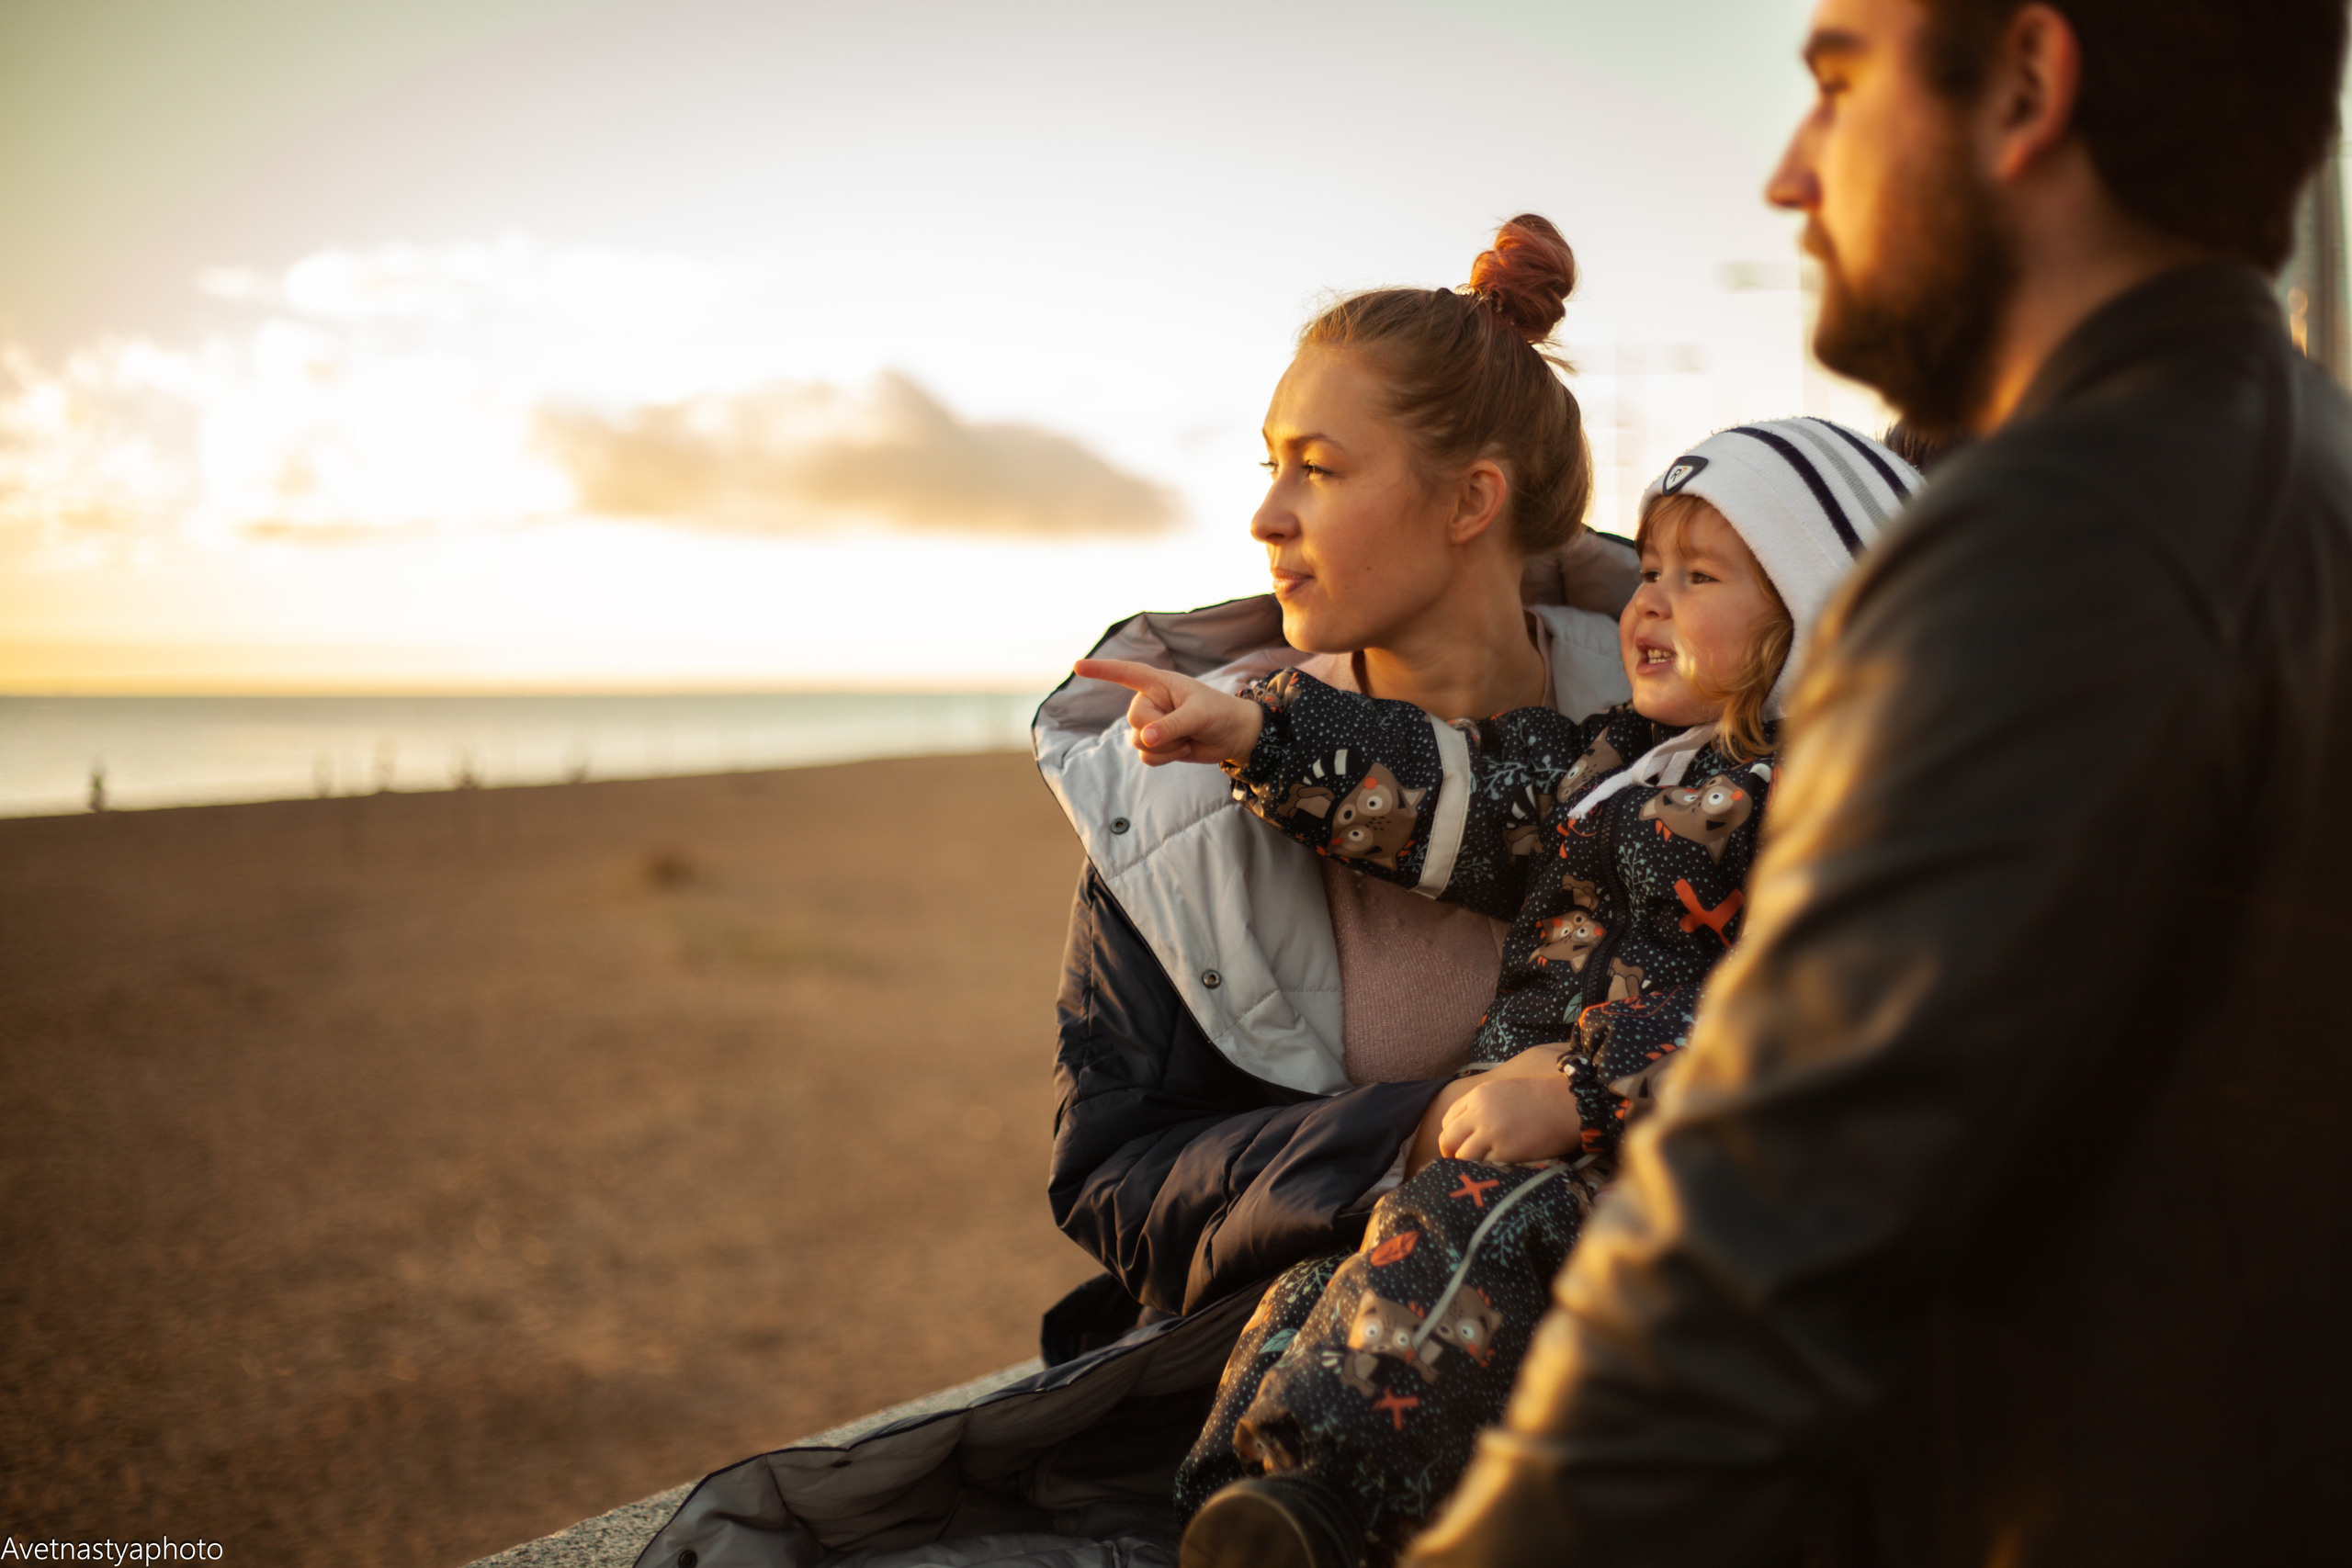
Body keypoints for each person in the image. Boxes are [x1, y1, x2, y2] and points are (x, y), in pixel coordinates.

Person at [1403, 3, 2352, 1565]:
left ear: (2030, 87)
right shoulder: (2288, 461)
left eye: (1838, 85)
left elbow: (1754, 1251)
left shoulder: (2059, 544)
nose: (1789, 174)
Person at [1077, 420, 1917, 1568]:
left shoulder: (1834, 799)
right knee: (1332, 1283)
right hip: (1538, 1168)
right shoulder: (1611, 761)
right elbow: (1452, 791)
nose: (1649, 604)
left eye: (1699, 577)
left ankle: (1317, 1513)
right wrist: (1255, 733)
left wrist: (1584, 1091)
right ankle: (1241, 1512)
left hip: (1671, 1190)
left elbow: (1815, 1005)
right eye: (1652, 572)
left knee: (1462, 1241)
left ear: (1824, 612)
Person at [1034, 215, 1641, 1352]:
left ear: (1470, 502)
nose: (1265, 518)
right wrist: (1421, 1137)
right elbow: (1117, 1179)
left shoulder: (1687, 733)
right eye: (1271, 467)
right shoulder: (1177, 780)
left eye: (1317, 469)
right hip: (1324, 1383)